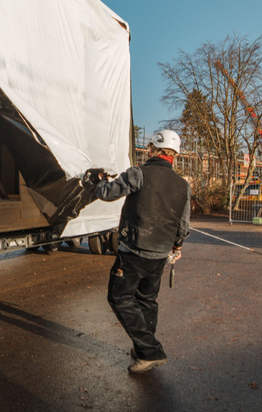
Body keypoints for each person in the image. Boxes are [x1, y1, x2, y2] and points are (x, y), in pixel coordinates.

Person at [82, 129, 190, 373]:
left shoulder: (138, 174)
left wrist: (98, 180)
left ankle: (151, 351)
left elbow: (107, 193)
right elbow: (183, 224)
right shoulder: (183, 185)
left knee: (119, 297)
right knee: (147, 300)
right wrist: (177, 246)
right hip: (160, 254)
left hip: (134, 252)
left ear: (151, 149)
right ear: (174, 155)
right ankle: (143, 349)